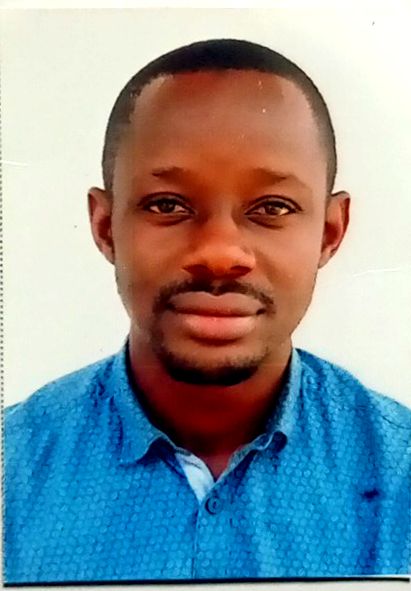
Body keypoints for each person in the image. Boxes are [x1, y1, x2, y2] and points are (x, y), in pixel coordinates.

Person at [4, 38, 411, 583]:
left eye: (272, 208)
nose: (219, 253)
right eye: (167, 205)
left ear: (329, 232)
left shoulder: (400, 476)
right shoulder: (13, 473)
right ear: (105, 227)